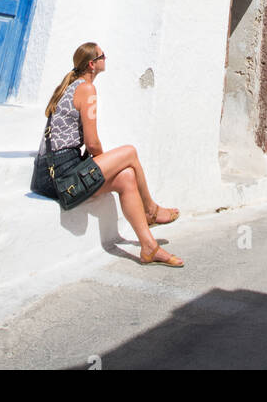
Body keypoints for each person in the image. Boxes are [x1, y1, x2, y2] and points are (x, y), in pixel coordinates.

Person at [41, 41, 184, 267]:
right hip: (62, 176)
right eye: (103, 56)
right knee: (129, 152)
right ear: (92, 64)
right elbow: (93, 142)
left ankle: (148, 247)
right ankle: (151, 210)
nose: (106, 58)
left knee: (127, 177)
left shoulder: (72, 86)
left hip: (61, 171)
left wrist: (104, 166)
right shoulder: (86, 89)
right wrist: (105, 164)